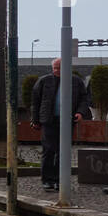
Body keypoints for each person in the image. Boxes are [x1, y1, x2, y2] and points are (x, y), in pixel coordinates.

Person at [31, 58, 89, 192]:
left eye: (59, 68)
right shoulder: (44, 81)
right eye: (55, 68)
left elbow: (84, 98)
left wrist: (80, 112)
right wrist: (35, 120)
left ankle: (59, 180)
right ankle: (47, 179)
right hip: (49, 120)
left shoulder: (76, 81)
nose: (57, 71)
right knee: (48, 150)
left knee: (63, 151)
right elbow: (35, 101)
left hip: (68, 120)